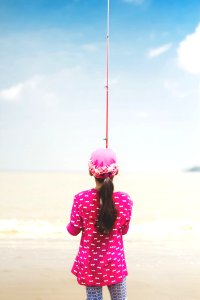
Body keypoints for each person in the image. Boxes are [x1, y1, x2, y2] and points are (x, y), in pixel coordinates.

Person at [67, 148, 133, 300]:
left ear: (91, 172)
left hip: (91, 264)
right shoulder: (125, 200)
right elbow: (124, 230)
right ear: (116, 172)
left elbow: (73, 230)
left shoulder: (81, 199)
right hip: (115, 263)